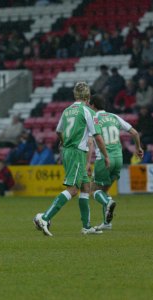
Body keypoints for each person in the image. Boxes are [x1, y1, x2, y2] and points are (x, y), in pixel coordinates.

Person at [33, 82, 110, 236]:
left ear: (75, 95)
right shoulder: (88, 112)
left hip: (69, 150)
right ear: (88, 96)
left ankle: (86, 226)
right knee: (73, 189)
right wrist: (106, 156)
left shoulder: (67, 111)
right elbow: (97, 137)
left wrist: (64, 141)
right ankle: (45, 218)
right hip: (76, 152)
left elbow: (58, 131)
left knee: (85, 187)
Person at [87, 94, 143, 230]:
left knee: (92, 190)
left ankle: (108, 202)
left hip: (104, 159)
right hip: (119, 159)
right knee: (104, 190)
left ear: (93, 105)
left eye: (89, 104)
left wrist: (88, 162)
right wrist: (138, 148)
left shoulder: (93, 119)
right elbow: (135, 133)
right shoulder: (114, 117)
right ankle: (107, 223)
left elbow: (90, 142)